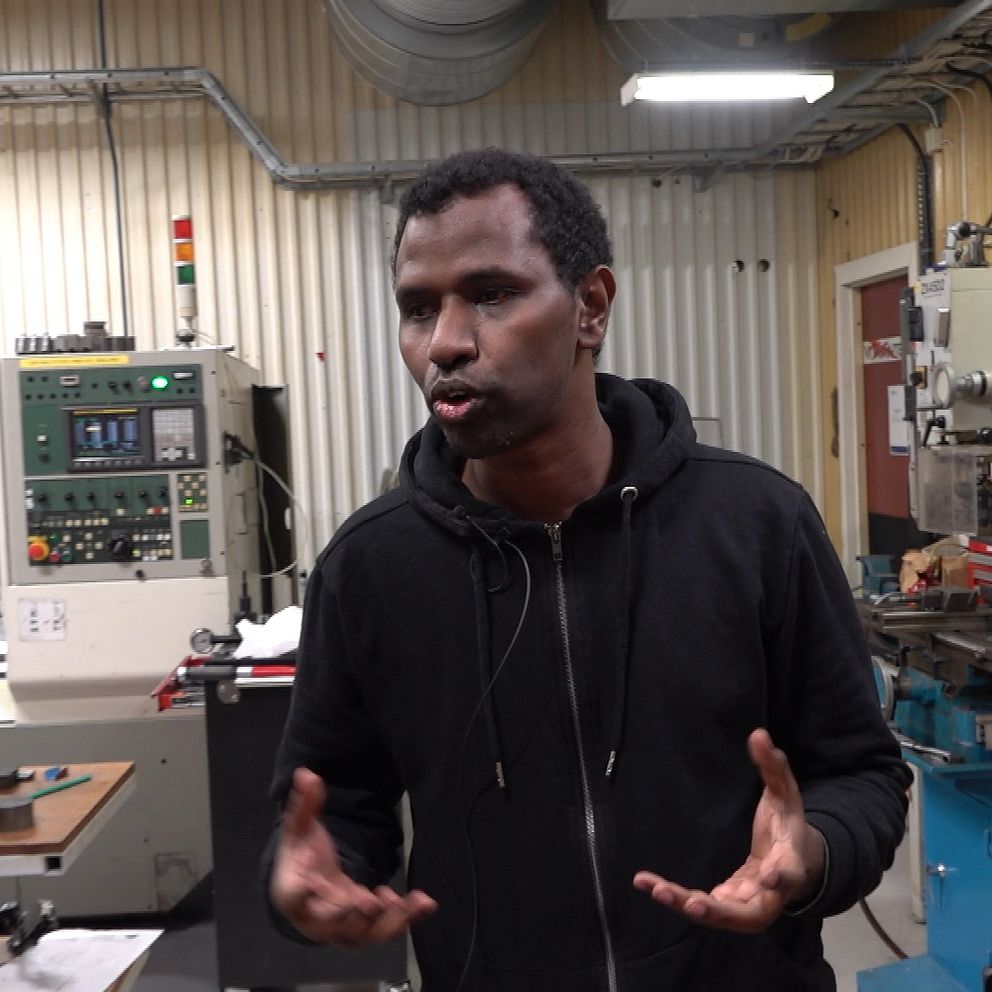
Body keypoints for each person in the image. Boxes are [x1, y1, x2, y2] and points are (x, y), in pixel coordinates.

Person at [265, 147, 911, 991]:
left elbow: (861, 774)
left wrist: (812, 851)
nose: (446, 342)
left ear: (590, 308)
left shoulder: (756, 523)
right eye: (418, 308)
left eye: (492, 294)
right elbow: (336, 808)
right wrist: (313, 879)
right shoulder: (371, 568)